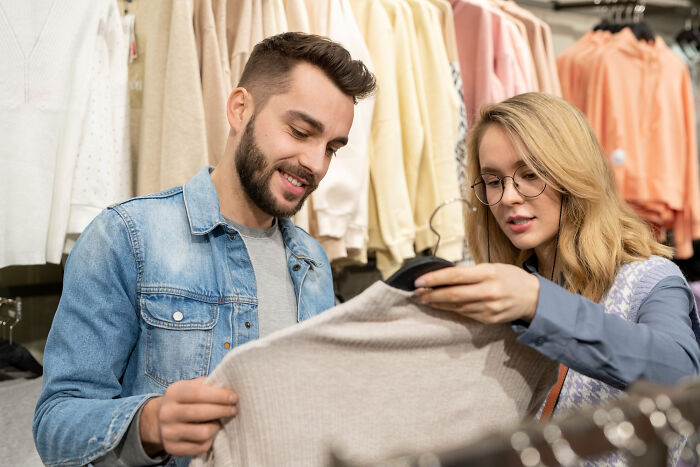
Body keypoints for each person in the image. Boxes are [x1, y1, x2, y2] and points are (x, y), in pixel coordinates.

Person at [33, 32, 376, 466]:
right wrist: (151, 422)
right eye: (300, 131)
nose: (316, 163)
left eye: (331, 148)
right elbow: (56, 424)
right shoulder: (125, 237)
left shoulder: (313, 264)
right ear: (239, 109)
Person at [414, 93, 700, 418]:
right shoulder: (500, 288)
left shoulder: (650, 280)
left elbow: (682, 377)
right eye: (493, 181)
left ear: (574, 173)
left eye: (531, 174)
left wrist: (538, 303)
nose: (508, 197)